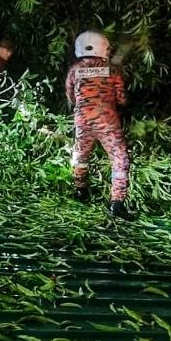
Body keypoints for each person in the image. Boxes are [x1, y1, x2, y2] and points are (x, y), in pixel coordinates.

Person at [65, 30, 133, 219]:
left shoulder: (74, 71)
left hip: (82, 120)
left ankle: (80, 190)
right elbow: (122, 99)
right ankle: (117, 204)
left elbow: (70, 96)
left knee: (81, 155)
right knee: (120, 159)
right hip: (107, 122)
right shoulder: (112, 70)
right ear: (104, 48)